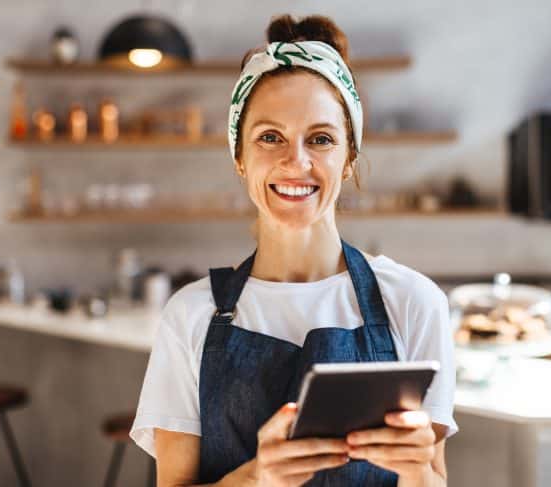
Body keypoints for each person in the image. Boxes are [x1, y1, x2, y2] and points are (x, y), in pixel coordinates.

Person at [130, 13, 458, 487]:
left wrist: (417, 471)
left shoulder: (414, 303)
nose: (296, 161)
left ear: (348, 160)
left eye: (321, 139)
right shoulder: (191, 316)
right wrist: (259, 477)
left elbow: (435, 479)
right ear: (240, 158)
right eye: (269, 137)